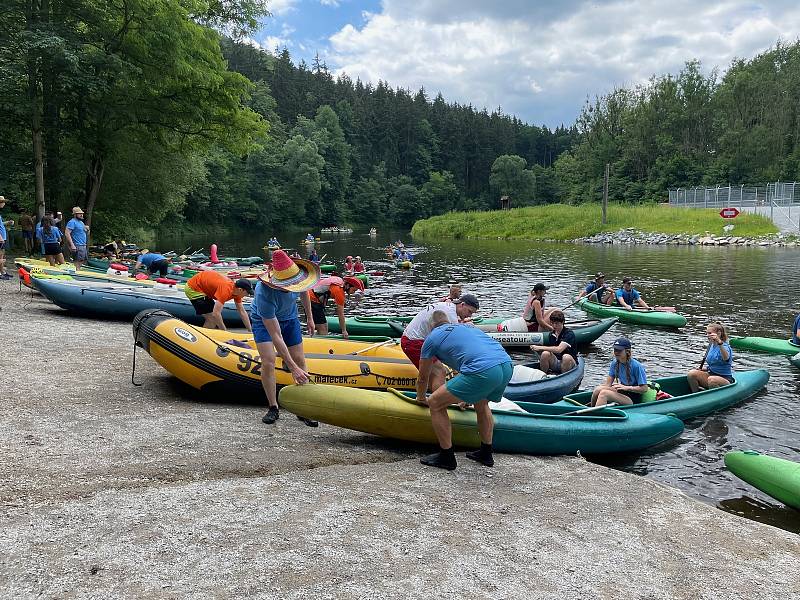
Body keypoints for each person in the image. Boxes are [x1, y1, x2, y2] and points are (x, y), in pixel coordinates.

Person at [417, 310, 513, 471]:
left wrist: (421, 398)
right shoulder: (467, 328)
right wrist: (469, 396)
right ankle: (486, 453)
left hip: (484, 370)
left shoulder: (432, 338)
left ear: (431, 326)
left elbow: (423, 377)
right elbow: (471, 355)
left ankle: (446, 456)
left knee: (435, 402)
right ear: (448, 321)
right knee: (481, 405)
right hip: (506, 365)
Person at [250, 250, 320, 426]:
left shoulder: (299, 280)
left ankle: (302, 409)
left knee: (299, 358)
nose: (293, 287)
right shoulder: (264, 293)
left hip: (289, 317)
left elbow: (304, 292)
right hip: (263, 321)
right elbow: (275, 335)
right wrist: (292, 368)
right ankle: (273, 407)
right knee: (268, 360)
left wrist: (310, 318)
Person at [401, 295, 480, 392]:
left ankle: (430, 397)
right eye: (469, 311)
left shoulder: (448, 306)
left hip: (415, 338)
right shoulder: (450, 315)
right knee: (439, 371)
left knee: (434, 372)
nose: (470, 316)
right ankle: (438, 402)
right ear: (462, 305)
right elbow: (454, 344)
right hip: (413, 341)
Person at [184, 270, 253, 331]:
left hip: (203, 285)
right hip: (194, 288)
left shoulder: (237, 293)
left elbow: (242, 312)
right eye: (247, 293)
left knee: (213, 319)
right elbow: (216, 313)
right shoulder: (226, 290)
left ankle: (207, 336)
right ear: (240, 290)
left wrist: (250, 331)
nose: (248, 295)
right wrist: (225, 332)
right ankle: (201, 340)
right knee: (212, 320)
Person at [591, 337, 648, 407]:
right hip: (621, 392)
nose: (616, 352)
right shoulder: (614, 363)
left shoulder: (636, 366)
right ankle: (591, 409)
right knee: (598, 389)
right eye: (615, 350)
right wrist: (612, 388)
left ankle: (596, 416)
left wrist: (627, 387)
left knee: (604, 394)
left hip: (633, 398)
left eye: (619, 350)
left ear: (627, 351)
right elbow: (608, 384)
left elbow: (644, 389)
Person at [687, 322, 734, 391]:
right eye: (707, 333)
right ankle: (696, 395)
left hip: (725, 379)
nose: (707, 335)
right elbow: (714, 364)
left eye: (710, 333)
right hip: (711, 375)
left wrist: (719, 342)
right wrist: (704, 369)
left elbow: (726, 358)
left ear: (718, 333)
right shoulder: (711, 345)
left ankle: (713, 397)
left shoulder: (725, 346)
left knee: (712, 380)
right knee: (691, 374)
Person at [530, 310, 577, 374]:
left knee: (566, 357)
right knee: (545, 353)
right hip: (556, 361)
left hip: (569, 363)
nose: (554, 326)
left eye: (557, 323)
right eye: (552, 323)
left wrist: (540, 347)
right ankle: (543, 376)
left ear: (563, 322)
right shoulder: (551, 335)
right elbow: (551, 350)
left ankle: (563, 378)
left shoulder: (569, 334)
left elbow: (559, 349)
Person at [65, 206, 89, 270]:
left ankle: (77, 271)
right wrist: (72, 245)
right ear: (75, 214)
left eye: (82, 213)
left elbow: (84, 233)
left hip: (83, 244)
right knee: (77, 261)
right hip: (77, 245)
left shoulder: (81, 222)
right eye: (79, 213)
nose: (81, 214)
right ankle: (76, 273)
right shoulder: (72, 222)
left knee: (82, 260)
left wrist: (87, 230)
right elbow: (67, 233)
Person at [0, 196, 13, 280]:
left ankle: (3, 272)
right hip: (0, 238)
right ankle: (1, 274)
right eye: (3, 202)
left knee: (1, 256)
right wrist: (0, 237)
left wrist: (7, 223)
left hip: (2, 238)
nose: (4, 203)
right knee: (0, 257)